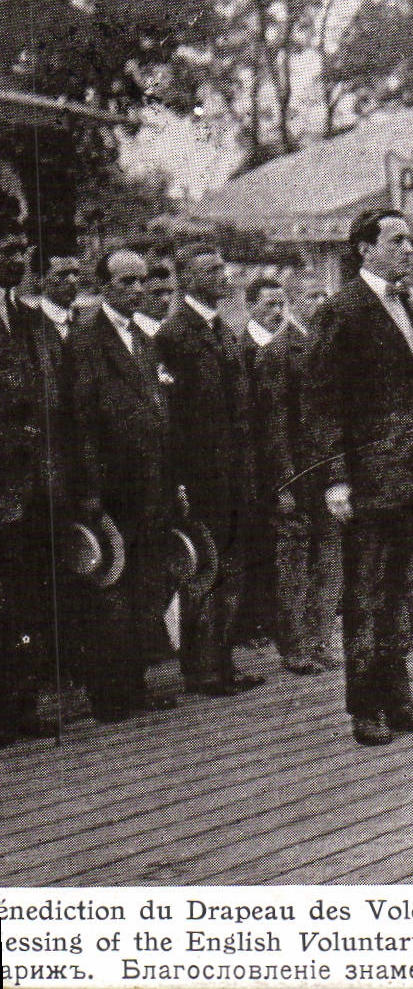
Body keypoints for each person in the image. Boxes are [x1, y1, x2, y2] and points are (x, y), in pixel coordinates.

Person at [306, 208, 413, 746]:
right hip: (369, 482)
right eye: (399, 240)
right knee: (366, 596)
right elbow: (322, 404)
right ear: (365, 248)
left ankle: (398, 697)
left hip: (412, 481)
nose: (411, 250)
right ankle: (365, 707)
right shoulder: (343, 311)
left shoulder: (404, 306)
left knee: (403, 594)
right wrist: (336, 479)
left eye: (412, 241)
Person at [69, 249, 181, 720]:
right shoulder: (86, 341)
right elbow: (81, 423)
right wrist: (90, 493)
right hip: (112, 489)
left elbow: (158, 412)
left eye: (143, 281)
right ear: (105, 286)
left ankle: (133, 685)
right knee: (111, 591)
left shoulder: (143, 338)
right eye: (128, 282)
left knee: (146, 585)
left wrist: (171, 481)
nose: (138, 290)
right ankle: (111, 695)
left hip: (151, 485)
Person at [157, 242, 266, 698]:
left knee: (232, 570)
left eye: (223, 267)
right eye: (212, 271)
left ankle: (221, 661)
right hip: (201, 479)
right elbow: (169, 419)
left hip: (236, 476)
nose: (225, 277)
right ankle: (201, 669)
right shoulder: (174, 335)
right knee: (204, 570)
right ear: (187, 279)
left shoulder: (223, 329)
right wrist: (177, 481)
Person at [0, 212, 65, 743]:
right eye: (5, 250)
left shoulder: (30, 320)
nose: (16, 260)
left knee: (24, 596)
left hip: (33, 487)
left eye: (21, 250)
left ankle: (20, 703)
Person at [255, 280, 339, 675]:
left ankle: (322, 641)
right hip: (297, 477)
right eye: (311, 296)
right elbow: (274, 429)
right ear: (294, 302)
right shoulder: (277, 354)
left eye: (324, 296)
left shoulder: (333, 349)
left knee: (330, 562)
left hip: (329, 477)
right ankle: (295, 648)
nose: (319, 303)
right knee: (294, 566)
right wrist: (284, 486)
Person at [235, 277, 289, 654]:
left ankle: (271, 619)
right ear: (251, 306)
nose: (277, 312)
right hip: (254, 456)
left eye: (281, 304)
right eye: (269, 305)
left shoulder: (286, 346)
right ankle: (249, 622)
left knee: (278, 543)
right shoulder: (242, 348)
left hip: (281, 454)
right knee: (253, 541)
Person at [32, 255, 80, 338]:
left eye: (76, 273)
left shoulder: (89, 323)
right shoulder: (29, 325)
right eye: (62, 274)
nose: (73, 280)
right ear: (40, 280)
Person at [135, 260, 176, 338]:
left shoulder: (173, 329)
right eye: (157, 293)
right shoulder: (133, 334)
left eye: (169, 292)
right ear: (140, 293)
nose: (166, 300)